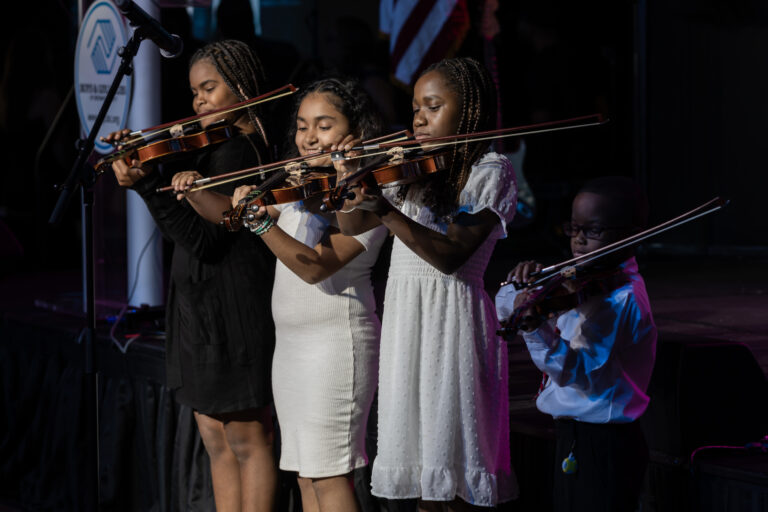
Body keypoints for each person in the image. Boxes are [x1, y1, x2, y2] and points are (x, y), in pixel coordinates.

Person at [176, 78, 388, 512]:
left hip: (335, 347)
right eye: (303, 125)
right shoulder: (300, 187)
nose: (309, 137)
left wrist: (260, 222)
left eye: (325, 126)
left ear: (355, 133)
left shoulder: (365, 198)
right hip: (291, 350)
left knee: (330, 478)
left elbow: (313, 266)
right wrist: (196, 192)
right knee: (308, 477)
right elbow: (230, 217)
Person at [332, 57, 518, 510]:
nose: (417, 118)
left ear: (468, 111)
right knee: (419, 478)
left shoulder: (489, 170)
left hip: (454, 323)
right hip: (408, 322)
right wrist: (347, 178)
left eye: (432, 107)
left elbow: (451, 256)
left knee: (451, 475)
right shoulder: (414, 169)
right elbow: (351, 224)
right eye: (415, 107)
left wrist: (384, 209)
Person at [105, 40, 277, 512]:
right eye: (194, 92)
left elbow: (206, 240)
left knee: (246, 439)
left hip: (234, 308)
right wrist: (151, 171)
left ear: (242, 90)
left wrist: (146, 185)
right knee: (217, 439)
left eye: (209, 88)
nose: (198, 100)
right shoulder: (212, 150)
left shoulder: (240, 151)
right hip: (202, 308)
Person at [495, 176, 657, 512]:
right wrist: (520, 285)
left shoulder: (619, 299)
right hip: (575, 436)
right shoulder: (574, 281)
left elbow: (577, 372)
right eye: (574, 228)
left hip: (607, 442)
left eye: (594, 230)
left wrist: (536, 326)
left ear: (630, 235)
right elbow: (502, 304)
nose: (579, 239)